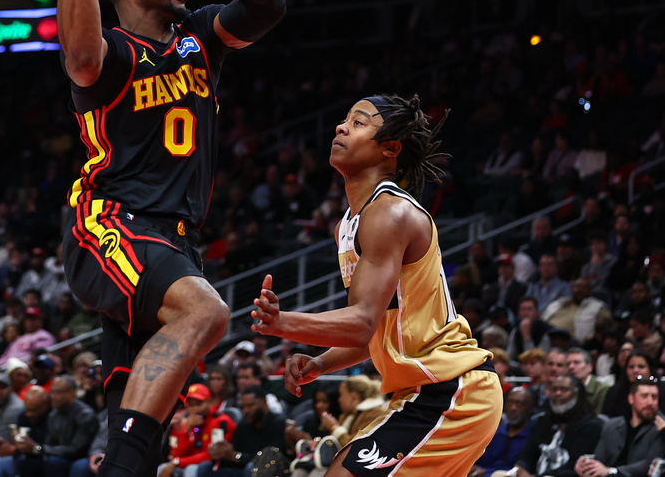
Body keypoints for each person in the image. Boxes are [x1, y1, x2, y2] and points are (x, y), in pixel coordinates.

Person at [47, 0, 285, 477]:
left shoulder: (200, 36)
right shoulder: (114, 54)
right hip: (110, 221)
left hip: (175, 237)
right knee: (206, 310)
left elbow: (269, 3)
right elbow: (77, 48)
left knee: (135, 405)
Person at [251, 94, 503, 476]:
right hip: (421, 392)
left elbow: (361, 321)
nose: (341, 127)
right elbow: (376, 331)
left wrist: (281, 322)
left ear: (390, 148)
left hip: (450, 388)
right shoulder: (348, 225)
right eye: (344, 120)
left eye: (358, 122)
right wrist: (320, 363)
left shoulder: (389, 213)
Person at [575, 376, 665, 477]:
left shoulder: (663, 428)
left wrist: (611, 471)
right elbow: (599, 457)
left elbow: (650, 464)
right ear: (631, 399)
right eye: (644, 396)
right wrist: (586, 464)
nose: (650, 402)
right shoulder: (613, 425)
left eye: (654, 397)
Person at [514, 374, 603, 477]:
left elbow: (576, 466)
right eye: (554, 389)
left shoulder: (590, 425)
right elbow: (527, 457)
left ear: (577, 393)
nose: (558, 393)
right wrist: (520, 469)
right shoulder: (540, 422)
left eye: (564, 390)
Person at [469, 386, 534, 477]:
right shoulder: (495, 432)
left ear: (529, 408)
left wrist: (487, 472)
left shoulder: (533, 435)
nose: (513, 408)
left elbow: (522, 470)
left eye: (519, 404)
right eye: (510, 402)